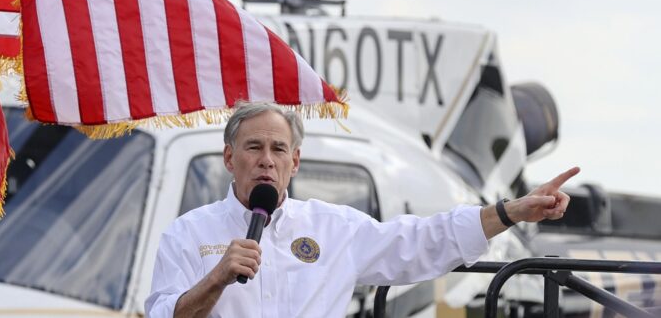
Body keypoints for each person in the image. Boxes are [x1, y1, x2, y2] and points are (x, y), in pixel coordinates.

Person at [145, 102, 579, 318]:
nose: (266, 160)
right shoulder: (186, 234)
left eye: (279, 149)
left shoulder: (334, 228)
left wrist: (511, 212)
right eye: (253, 147)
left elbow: (423, 241)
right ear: (229, 158)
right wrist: (217, 279)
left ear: (294, 163)